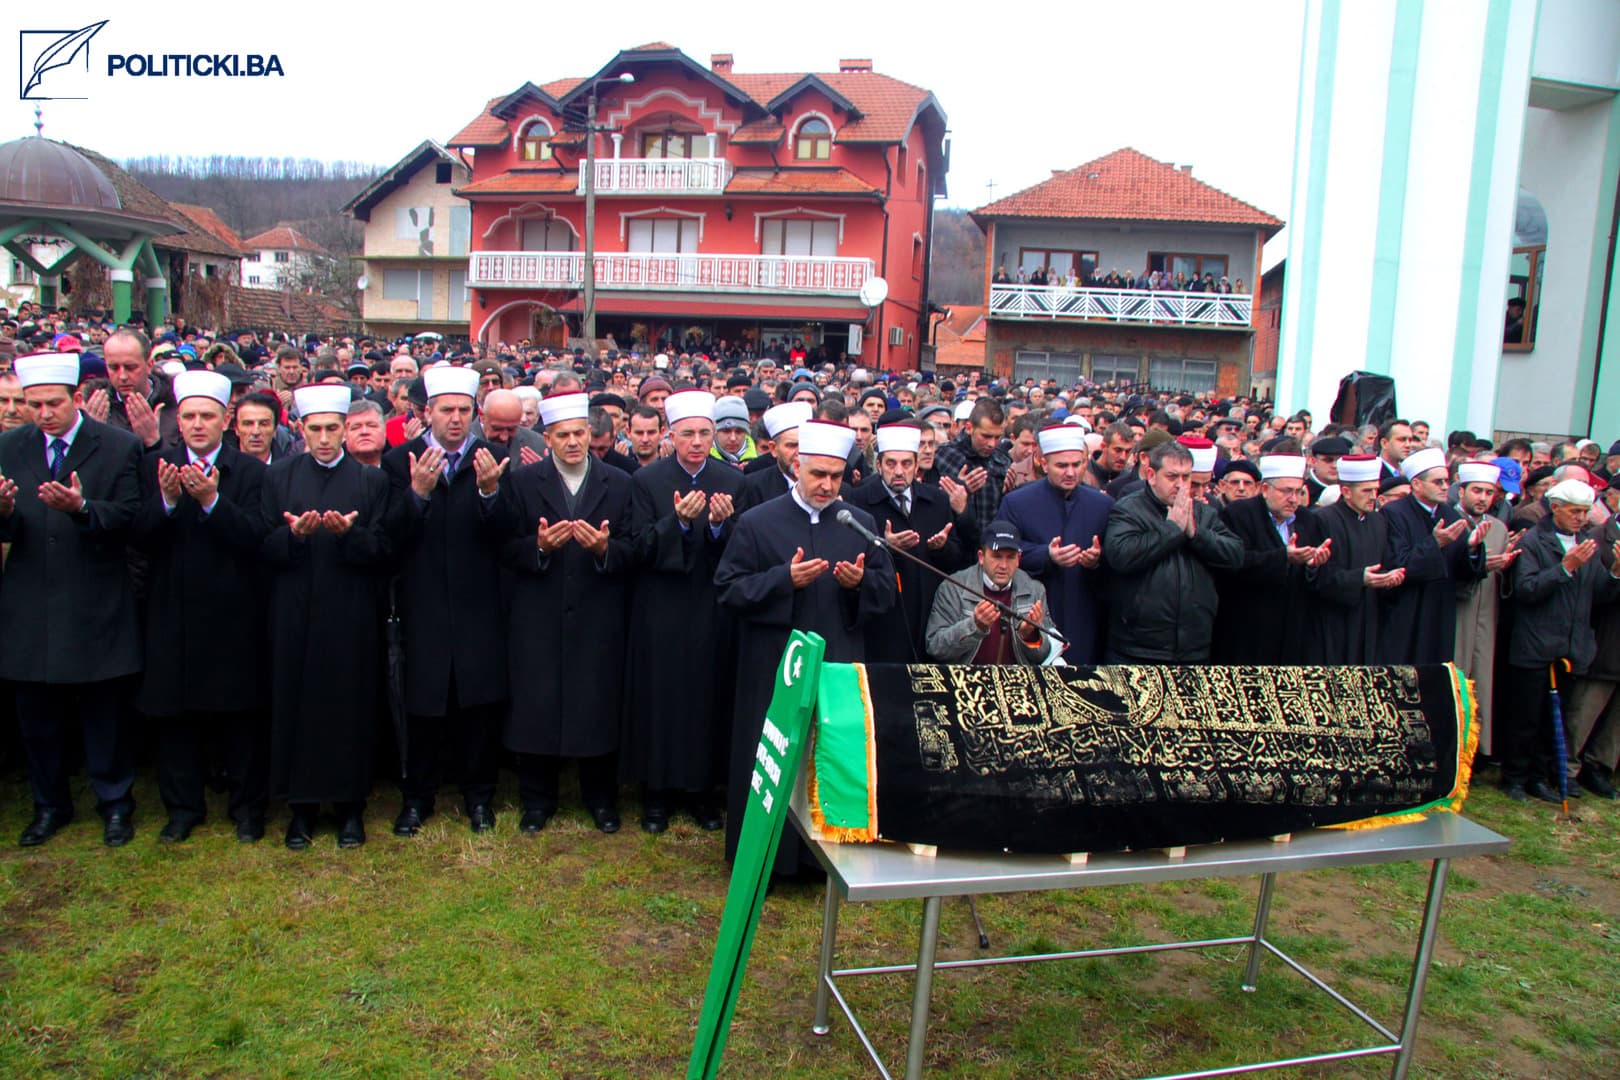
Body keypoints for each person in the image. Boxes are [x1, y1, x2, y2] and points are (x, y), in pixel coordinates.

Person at [715, 420, 896, 874]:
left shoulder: (860, 523)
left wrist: (859, 585)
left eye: (836, 477)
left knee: (827, 755)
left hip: (836, 661)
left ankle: (823, 864)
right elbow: (728, 589)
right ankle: (764, 863)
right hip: (774, 665)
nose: (827, 486)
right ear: (797, 466)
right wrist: (783, 580)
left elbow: (886, 592)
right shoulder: (758, 522)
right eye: (818, 475)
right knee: (773, 759)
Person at [0, 353, 144, 847]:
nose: (42, 413)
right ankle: (49, 805)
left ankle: (115, 804)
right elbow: (12, 526)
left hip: (95, 598)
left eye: (52, 404)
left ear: (77, 399)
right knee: (37, 717)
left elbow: (129, 516)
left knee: (104, 713)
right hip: (31, 601)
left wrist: (82, 508)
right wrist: (2, 512)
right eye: (32, 404)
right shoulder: (9, 446)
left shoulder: (117, 447)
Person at [130, 371, 271, 843]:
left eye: (206, 416)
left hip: (234, 612)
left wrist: (212, 501)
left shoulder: (250, 472)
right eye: (188, 416)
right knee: (174, 716)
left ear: (225, 419)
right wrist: (168, 501)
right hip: (172, 610)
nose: (196, 425)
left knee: (240, 716)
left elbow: (258, 538)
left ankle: (247, 808)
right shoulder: (157, 466)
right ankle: (182, 808)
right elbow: (139, 538)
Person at [381, 365, 513, 838]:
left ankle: (480, 799)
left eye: (463, 410)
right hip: (424, 603)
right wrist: (417, 494)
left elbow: (509, 535)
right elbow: (389, 538)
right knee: (423, 708)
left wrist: (490, 492)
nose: (455, 419)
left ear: (474, 413)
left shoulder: (493, 457)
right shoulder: (400, 462)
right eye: (445, 410)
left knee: (478, 707)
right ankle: (417, 798)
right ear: (427, 412)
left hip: (480, 606)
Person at [261, 384, 395, 850]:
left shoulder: (371, 482)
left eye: (331, 429)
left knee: (349, 705)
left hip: (350, 612)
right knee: (294, 704)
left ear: (344, 430)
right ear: (300, 429)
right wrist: (294, 537)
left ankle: (349, 808)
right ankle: (300, 810)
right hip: (293, 611)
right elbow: (261, 546)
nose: (323, 438)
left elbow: (383, 549)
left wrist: (347, 536)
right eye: (314, 429)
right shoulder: (278, 477)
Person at [501, 392, 634, 835]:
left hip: (598, 614)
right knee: (537, 704)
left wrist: (604, 550)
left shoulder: (618, 482)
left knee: (597, 704)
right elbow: (503, 548)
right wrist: (538, 547)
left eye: (580, 434)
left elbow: (634, 549)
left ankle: (600, 798)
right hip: (539, 614)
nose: (574, 442)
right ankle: (537, 801)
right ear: (547, 438)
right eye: (564, 436)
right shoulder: (523, 483)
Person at [621, 390, 742, 833]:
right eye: (687, 434)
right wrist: (676, 524)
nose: (696, 442)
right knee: (660, 699)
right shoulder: (647, 481)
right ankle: (656, 795)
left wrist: (714, 526)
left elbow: (741, 553)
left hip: (710, 608)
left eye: (704, 433)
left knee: (706, 698)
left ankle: (702, 793)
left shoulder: (732, 482)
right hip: (661, 606)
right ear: (670, 435)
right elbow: (636, 548)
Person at [1498, 480, 1620, 802]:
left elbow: (1599, 595)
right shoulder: (1537, 541)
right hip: (1535, 644)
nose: (1581, 518)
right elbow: (1527, 589)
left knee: (1553, 721)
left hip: (1571, 647)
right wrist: (1565, 568)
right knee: (1525, 717)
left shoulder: (1586, 543)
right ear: (1555, 509)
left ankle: (1539, 777)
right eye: (1574, 511)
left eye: (1584, 511)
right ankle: (1514, 777)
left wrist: (1617, 573)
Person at [1101, 440, 1243, 663]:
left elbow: (1235, 554)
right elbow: (1121, 555)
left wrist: (1196, 534)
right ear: (1151, 474)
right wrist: (1173, 530)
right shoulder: (1128, 509)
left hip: (1194, 646)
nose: (1180, 484)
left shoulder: (1204, 513)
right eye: (1172, 477)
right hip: (1138, 648)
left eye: (1186, 477)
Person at [845, 421, 971, 662]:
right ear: (879, 465)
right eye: (891, 463)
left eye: (906, 463)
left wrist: (942, 547)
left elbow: (956, 560)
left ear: (916, 466)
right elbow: (851, 556)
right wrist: (884, 546)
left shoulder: (937, 500)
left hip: (929, 614)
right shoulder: (859, 500)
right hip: (883, 620)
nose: (899, 471)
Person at [998, 424, 1112, 663]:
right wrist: (1046, 555)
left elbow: (1117, 560)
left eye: (1077, 464)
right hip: (1032, 613)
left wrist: (1096, 561)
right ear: (1043, 462)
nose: (1070, 472)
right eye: (1062, 465)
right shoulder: (1017, 502)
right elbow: (1001, 553)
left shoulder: (1103, 505)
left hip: (1085, 612)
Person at [1377, 448, 1489, 664]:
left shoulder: (1449, 514)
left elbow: (1461, 571)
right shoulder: (1394, 513)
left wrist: (1472, 549)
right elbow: (1398, 564)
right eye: (1438, 482)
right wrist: (1435, 543)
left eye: (1446, 481)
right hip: (1406, 610)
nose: (1446, 487)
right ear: (1417, 484)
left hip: (1439, 610)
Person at [1213, 455, 1328, 663]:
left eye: (1298, 491)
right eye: (1286, 491)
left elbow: (1315, 577)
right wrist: (1282, 557)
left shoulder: (1308, 520)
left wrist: (1313, 565)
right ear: (1265, 489)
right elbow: (1234, 562)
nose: (1293, 499)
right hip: (1248, 627)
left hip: (1292, 630)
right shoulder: (1239, 514)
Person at [1300, 455, 1405, 663]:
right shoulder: (1323, 519)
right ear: (1346, 491)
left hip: (1370, 619)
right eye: (1366, 491)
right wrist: (1360, 579)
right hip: (1333, 621)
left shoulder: (1378, 521)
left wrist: (1389, 579)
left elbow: (1384, 563)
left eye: (1375, 490)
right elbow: (1319, 576)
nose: (1373, 496)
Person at [925, 520, 1063, 665]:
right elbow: (935, 647)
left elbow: (1044, 657)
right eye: (997, 556)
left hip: (1017, 682)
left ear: (1018, 559)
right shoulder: (953, 587)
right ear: (981, 557)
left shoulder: (1034, 590)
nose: (1003, 565)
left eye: (1010, 557)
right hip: (965, 682)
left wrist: (1029, 635)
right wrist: (974, 626)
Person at [1452, 461, 1518, 758]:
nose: (1482, 497)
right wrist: (1475, 565)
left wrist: (1503, 568)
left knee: (1479, 682)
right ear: (1461, 490)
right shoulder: (1449, 522)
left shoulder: (1499, 528)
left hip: (1485, 616)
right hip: (1456, 612)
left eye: (1489, 492)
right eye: (1476, 490)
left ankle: (1473, 752)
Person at [932, 398, 1011, 536]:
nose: (992, 444)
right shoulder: (942, 455)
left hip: (991, 544)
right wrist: (961, 489)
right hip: (955, 542)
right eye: (986, 436)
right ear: (969, 428)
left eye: (997, 437)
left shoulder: (1003, 460)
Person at [735, 402, 812, 513]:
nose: (799, 452)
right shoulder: (752, 487)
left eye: (804, 444)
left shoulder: (831, 485)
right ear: (774, 449)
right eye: (791, 445)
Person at [480, 388, 546, 466]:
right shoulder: (464, 442)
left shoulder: (536, 445)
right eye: (497, 429)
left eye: (511, 429)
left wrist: (542, 472)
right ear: (482, 416)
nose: (504, 437)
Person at [343, 399, 388, 467]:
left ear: (384, 430)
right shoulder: (333, 473)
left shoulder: (401, 469)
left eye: (372, 425)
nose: (364, 432)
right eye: (356, 427)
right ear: (345, 434)